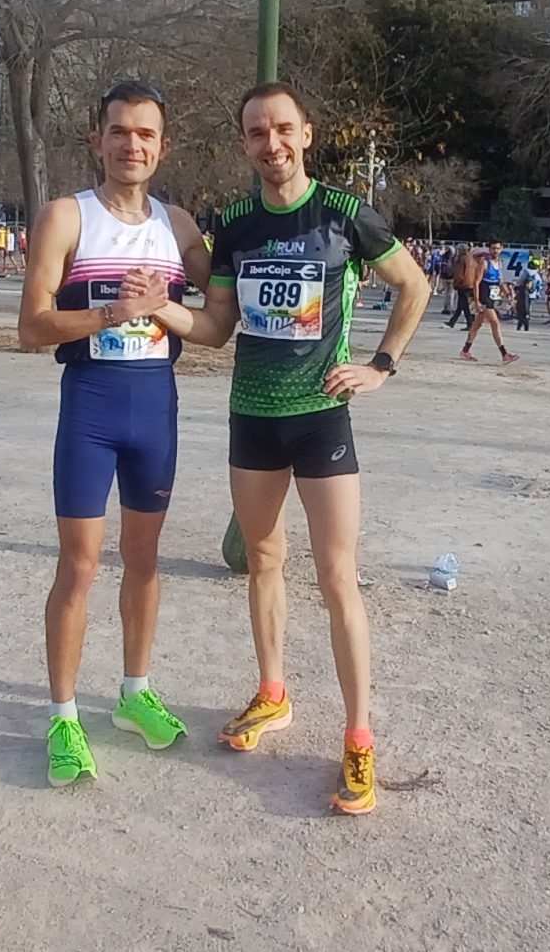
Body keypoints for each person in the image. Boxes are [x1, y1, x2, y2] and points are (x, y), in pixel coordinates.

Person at [150, 82, 431, 816]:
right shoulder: (236, 226)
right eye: (256, 132)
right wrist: (160, 308)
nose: (270, 143)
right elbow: (217, 328)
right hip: (252, 419)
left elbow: (414, 285)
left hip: (322, 419)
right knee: (263, 561)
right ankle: (273, 692)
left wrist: (381, 366)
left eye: (282, 129)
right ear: (245, 143)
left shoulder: (343, 213)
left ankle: (359, 736)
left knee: (338, 577)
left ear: (306, 133)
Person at [15, 81, 207, 788]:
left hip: (155, 409)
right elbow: (31, 327)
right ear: (97, 140)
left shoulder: (179, 226)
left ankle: (134, 693)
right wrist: (109, 315)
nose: (132, 144)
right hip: (91, 409)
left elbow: (217, 322)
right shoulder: (68, 216)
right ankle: (64, 716)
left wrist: (164, 311)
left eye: (145, 134)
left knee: (146, 560)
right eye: (119, 131)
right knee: (80, 565)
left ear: (163, 147)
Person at [459, 244, 517, 364]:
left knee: (477, 325)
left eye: (497, 248)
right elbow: (476, 283)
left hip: (492, 297)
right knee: (495, 323)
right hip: (484, 297)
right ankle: (504, 354)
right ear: (490, 250)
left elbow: (500, 282)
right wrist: (477, 301)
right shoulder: (484, 263)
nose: (495, 251)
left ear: (501, 249)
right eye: (493, 248)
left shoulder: (499, 264)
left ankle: (465, 350)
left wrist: (508, 295)